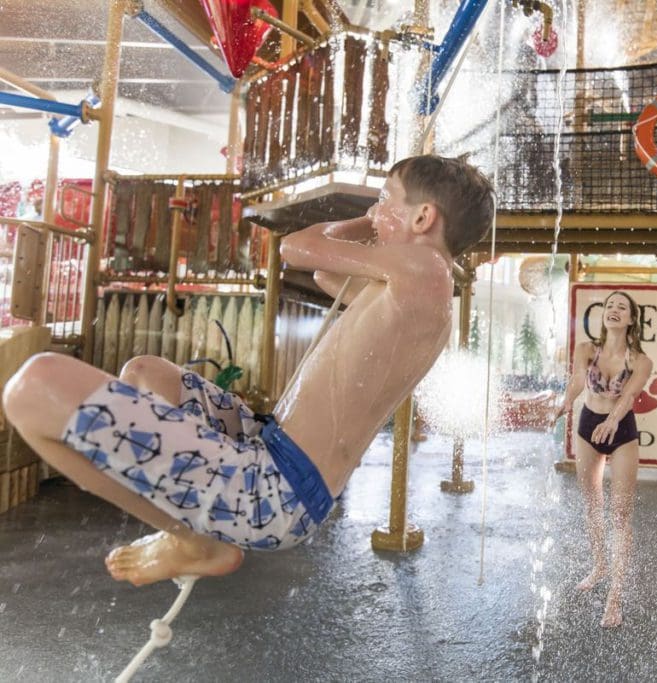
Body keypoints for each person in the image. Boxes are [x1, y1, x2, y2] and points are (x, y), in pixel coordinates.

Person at [1, 154, 495, 586]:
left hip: (275, 490)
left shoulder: (426, 270)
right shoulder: (408, 284)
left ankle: (194, 542)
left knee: (33, 386)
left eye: (385, 200)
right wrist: (385, 218)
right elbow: (323, 271)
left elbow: (296, 248)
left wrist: (370, 224)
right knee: (147, 373)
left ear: (424, 216)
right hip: (266, 444)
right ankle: (186, 520)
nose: (373, 211)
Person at [553, 290, 653, 628]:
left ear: (631, 319)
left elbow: (628, 395)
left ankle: (614, 597)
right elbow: (579, 380)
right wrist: (568, 401)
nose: (614, 310)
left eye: (621, 307)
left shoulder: (640, 361)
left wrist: (613, 421)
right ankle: (599, 565)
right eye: (610, 305)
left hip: (621, 429)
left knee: (620, 515)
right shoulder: (586, 349)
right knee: (592, 503)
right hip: (588, 427)